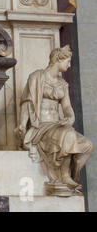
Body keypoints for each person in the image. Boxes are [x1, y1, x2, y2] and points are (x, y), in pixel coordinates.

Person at [16, 45, 93, 195]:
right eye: (68, 61)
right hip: (41, 126)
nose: (69, 65)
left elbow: (67, 107)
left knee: (87, 145)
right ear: (59, 59)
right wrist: (22, 124)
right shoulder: (36, 77)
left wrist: (70, 117)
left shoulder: (63, 84)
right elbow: (27, 102)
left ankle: (69, 176)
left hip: (57, 125)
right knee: (68, 134)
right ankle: (63, 177)